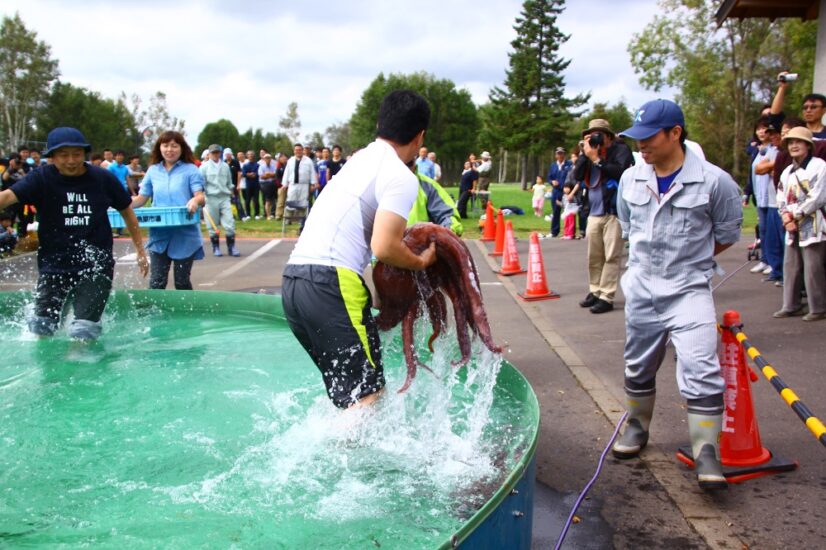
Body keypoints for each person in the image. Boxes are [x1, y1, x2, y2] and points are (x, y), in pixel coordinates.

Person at [612, 99, 742, 491]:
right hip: (642, 288)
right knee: (638, 365)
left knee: (702, 366)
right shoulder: (630, 179)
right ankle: (637, 426)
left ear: (675, 134)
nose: (641, 147)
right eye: (636, 139)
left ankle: (706, 450)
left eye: (648, 138)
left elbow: (727, 234)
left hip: (689, 289)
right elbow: (627, 225)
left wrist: (689, 259)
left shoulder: (715, 181)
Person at [282, 90, 437, 410]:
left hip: (294, 283)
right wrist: (420, 263)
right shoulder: (400, 175)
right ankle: (340, 460)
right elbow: (385, 245)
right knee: (367, 397)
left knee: (349, 396)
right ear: (420, 135)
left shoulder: (358, 161)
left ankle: (339, 451)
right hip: (330, 285)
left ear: (380, 123)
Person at [0, 127, 149, 340]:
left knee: (84, 331)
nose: (71, 160)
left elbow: (127, 212)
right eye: (63, 155)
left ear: (84, 154)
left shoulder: (102, 178)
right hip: (54, 264)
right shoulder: (41, 178)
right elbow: (6, 198)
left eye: (77, 154)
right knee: (42, 327)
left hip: (95, 264)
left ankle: (82, 369)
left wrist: (140, 250)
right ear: (51, 157)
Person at [131, 131, 206, 290]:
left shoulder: (190, 169)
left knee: (181, 282)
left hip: (185, 234)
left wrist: (194, 200)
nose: (169, 149)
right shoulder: (153, 171)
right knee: (157, 281)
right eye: (165, 145)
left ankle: (186, 313)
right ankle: (154, 314)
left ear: (181, 148)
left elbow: (200, 196)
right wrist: (119, 203)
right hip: (159, 235)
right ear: (159, 148)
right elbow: (141, 199)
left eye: (174, 146)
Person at [573, 119, 634, 314]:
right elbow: (577, 175)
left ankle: (606, 296)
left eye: (599, 134)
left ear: (608, 136)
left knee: (611, 256)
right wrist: (586, 154)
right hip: (594, 211)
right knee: (594, 256)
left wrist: (598, 160)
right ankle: (595, 290)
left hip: (614, 212)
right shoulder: (589, 152)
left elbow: (620, 173)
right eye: (592, 134)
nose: (596, 138)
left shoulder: (620, 150)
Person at [773, 127, 826, 322]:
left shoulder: (819, 166)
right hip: (792, 225)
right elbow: (781, 196)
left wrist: (795, 214)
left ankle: (818, 307)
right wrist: (785, 217)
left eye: (798, 141)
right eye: (790, 142)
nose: (794, 145)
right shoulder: (787, 171)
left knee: (813, 267)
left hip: (813, 223)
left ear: (808, 145)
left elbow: (818, 196)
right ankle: (791, 304)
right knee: (791, 266)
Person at [750, 117, 784, 283]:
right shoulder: (769, 150)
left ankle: (783, 274)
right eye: (771, 134)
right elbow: (758, 169)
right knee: (769, 236)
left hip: (781, 202)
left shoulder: (784, 151)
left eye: (776, 133)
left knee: (782, 240)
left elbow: (778, 170)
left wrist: (773, 168)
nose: (773, 137)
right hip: (768, 200)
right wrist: (773, 167)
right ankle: (775, 270)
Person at [199, 144, 240, 257]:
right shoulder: (204, 167)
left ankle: (231, 247)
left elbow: (229, 182)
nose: (216, 155)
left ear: (220, 153)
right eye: (213, 153)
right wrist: (201, 196)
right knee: (212, 224)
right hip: (210, 198)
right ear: (209, 154)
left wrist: (232, 193)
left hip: (224, 197)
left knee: (229, 223)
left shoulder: (225, 166)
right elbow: (201, 183)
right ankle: (215, 247)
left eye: (217, 152)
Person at [770, 72, 826, 140]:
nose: (808, 110)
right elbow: (774, 116)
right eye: (805, 108)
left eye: (813, 107)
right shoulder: (794, 129)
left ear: (824, 110)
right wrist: (782, 87)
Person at [408, 171, 464, 236]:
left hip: (420, 243)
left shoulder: (427, 185)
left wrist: (450, 229)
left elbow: (446, 213)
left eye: (409, 164)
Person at [282, 143, 317, 224]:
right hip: (292, 184)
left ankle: (302, 220)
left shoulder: (308, 161)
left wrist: (313, 184)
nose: (298, 151)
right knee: (290, 200)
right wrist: (284, 184)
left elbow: (312, 172)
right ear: (294, 151)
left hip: (304, 185)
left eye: (300, 150)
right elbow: (286, 172)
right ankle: (288, 219)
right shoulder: (290, 161)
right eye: (296, 150)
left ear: (302, 150)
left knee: (303, 202)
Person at [547, 146, 573, 237]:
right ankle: (554, 231)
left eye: (561, 153)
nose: (560, 155)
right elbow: (549, 178)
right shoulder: (553, 165)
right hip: (556, 192)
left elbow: (571, 176)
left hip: (566, 191)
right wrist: (552, 182)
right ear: (556, 155)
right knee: (555, 212)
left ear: (564, 154)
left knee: (569, 212)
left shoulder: (569, 164)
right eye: (558, 153)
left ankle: (569, 232)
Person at [258, 152, 278, 220]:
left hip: (272, 184)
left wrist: (268, 174)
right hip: (265, 185)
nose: (267, 159)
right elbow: (262, 177)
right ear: (264, 159)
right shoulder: (261, 166)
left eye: (269, 158)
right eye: (266, 158)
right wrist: (270, 175)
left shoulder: (273, 166)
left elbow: (275, 175)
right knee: (268, 200)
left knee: (274, 200)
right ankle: (268, 215)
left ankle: (273, 214)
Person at [241, 150, 261, 219]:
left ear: (254, 156)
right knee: (247, 200)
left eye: (252, 154)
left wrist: (251, 174)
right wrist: (249, 174)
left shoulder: (257, 165)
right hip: (248, 185)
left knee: (256, 200)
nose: (251, 156)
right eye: (249, 155)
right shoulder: (245, 165)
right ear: (247, 156)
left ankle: (257, 214)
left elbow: (258, 173)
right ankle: (248, 214)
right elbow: (243, 174)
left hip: (256, 184)